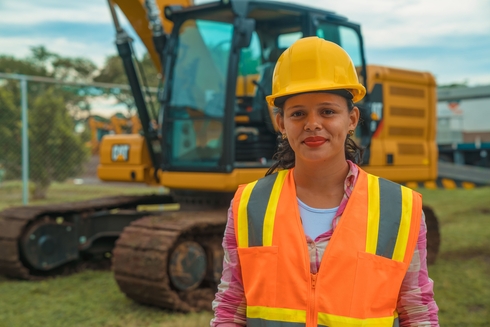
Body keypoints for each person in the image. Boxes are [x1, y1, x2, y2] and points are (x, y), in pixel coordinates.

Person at [211, 37, 439, 327]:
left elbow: (417, 311)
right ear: (281, 124)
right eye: (298, 113)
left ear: (352, 118)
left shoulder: (401, 208)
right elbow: (231, 306)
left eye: (327, 111)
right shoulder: (248, 204)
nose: (312, 124)